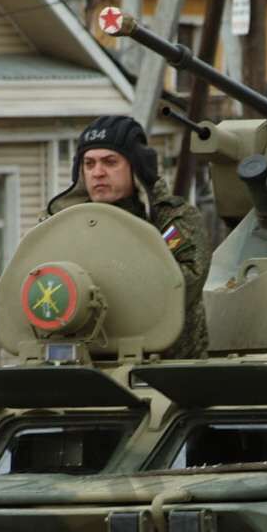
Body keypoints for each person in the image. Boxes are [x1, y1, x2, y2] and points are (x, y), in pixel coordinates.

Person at [46, 115, 209, 356]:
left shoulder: (173, 220)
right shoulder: (63, 225)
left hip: (167, 367)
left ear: (136, 167)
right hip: (85, 361)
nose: (97, 173)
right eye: (89, 164)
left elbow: (181, 286)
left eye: (110, 162)